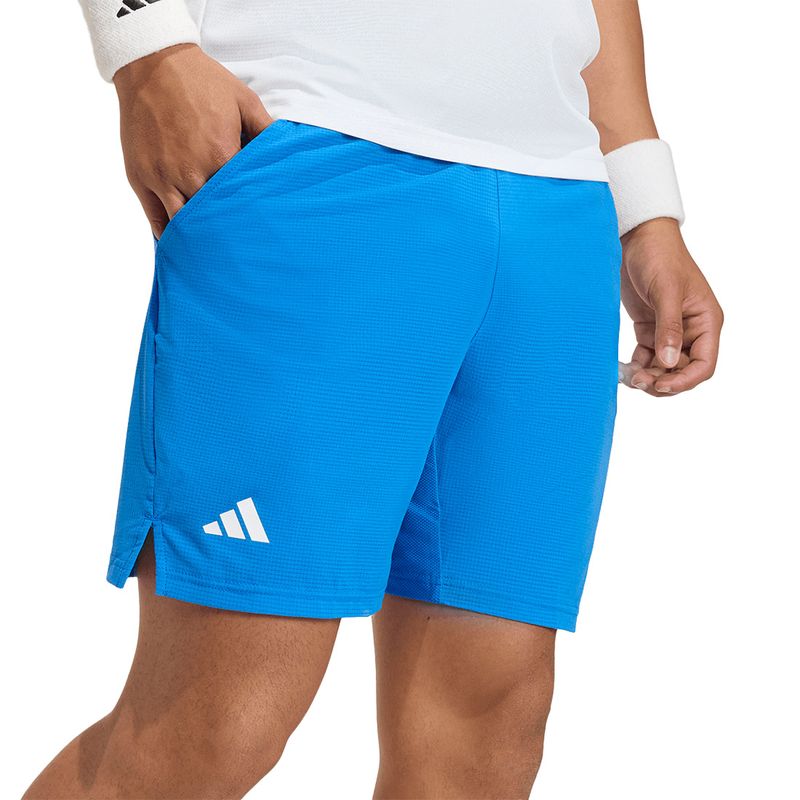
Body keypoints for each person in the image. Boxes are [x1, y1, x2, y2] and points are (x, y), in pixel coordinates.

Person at [25, 0, 723, 797]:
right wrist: (145, 49)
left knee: (486, 731)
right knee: (213, 725)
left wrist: (645, 207)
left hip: (558, 200)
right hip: (317, 146)